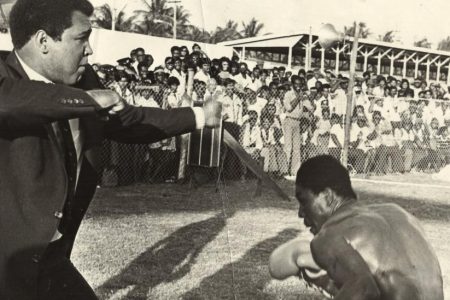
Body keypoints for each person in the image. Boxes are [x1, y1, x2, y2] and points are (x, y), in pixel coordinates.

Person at [0, 0, 222, 299]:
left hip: (52, 256)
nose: (89, 50)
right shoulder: (5, 77)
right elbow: (14, 102)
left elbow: (129, 121)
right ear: (43, 41)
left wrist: (199, 116)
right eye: (81, 38)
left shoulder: (83, 80)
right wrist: (88, 101)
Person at [269, 155, 443, 299]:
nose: (300, 213)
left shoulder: (329, 236)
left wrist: (304, 255)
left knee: (302, 254)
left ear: (327, 196)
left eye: (304, 201)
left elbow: (364, 290)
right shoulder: (399, 213)